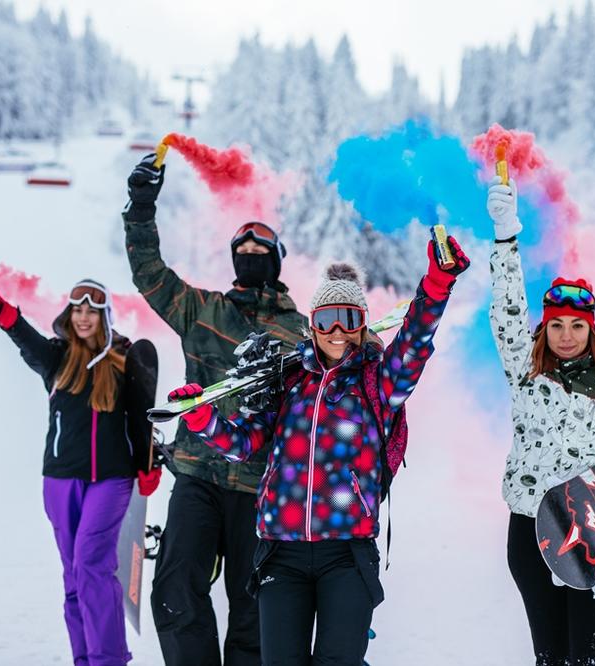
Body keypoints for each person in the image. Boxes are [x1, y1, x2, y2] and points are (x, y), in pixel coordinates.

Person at [166, 235, 470, 665]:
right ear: (312, 325)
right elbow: (243, 444)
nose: (337, 331)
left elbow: (414, 342)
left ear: (362, 325)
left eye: (349, 319)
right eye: (327, 320)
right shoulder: (288, 382)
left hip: (345, 552)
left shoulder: (377, 384)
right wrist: (203, 420)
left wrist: (437, 284)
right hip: (280, 552)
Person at [122, 154, 308, 666]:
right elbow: (149, 273)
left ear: (275, 261)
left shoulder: (300, 333)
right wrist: (141, 206)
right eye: (241, 251)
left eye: (259, 250)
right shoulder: (202, 310)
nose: (249, 256)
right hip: (197, 475)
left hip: (258, 486)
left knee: (255, 606)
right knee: (175, 589)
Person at [487, 177, 595, 666]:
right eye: (557, 325)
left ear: (592, 329)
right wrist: (505, 238)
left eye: (577, 326)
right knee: (551, 658)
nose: (566, 336)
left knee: (594, 659)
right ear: (545, 327)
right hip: (531, 530)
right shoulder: (527, 371)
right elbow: (507, 311)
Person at [0, 278, 160, 666]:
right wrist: (2, 311)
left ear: (105, 316)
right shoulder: (57, 358)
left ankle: (108, 660)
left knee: (92, 564)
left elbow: (140, 418)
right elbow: (24, 338)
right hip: (60, 480)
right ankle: (85, 659)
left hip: (110, 480)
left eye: (92, 310)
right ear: (69, 314)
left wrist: (149, 463)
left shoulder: (123, 359)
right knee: (74, 575)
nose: (83, 317)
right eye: (77, 309)